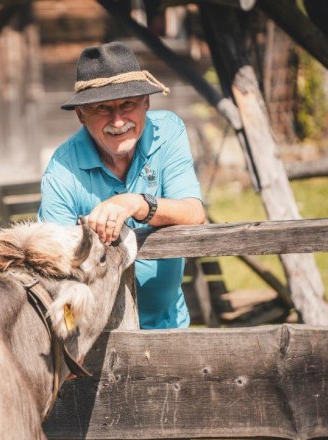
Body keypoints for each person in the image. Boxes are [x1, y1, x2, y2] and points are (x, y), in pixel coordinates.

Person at [38, 41, 205, 329]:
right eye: (102, 108)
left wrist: (134, 203)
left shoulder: (168, 132)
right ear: (82, 115)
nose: (118, 121)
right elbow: (52, 275)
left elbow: (194, 214)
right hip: (96, 339)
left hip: (169, 325)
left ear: (146, 102)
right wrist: (67, 338)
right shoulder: (62, 169)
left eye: (127, 103)